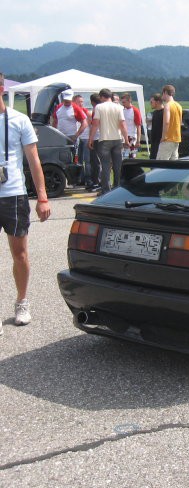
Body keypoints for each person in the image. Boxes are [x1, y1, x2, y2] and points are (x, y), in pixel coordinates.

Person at [0, 73, 51, 331]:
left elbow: (33, 161)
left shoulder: (19, 120)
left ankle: (22, 302)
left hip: (13, 195)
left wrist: (42, 196)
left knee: (19, 254)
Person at [88, 88, 129, 195]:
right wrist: (126, 139)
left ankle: (106, 190)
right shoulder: (119, 107)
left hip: (105, 139)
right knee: (117, 165)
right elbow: (123, 125)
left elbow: (95, 124)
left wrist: (91, 139)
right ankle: (117, 188)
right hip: (117, 139)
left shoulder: (99, 107)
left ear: (102, 97)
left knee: (105, 165)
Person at [158, 84, 182, 160]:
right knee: (173, 166)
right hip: (176, 139)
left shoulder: (167, 105)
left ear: (165, 92)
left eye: (162, 94)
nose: (162, 96)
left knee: (160, 165)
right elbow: (180, 122)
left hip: (168, 139)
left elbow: (166, 122)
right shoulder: (179, 106)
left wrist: (163, 136)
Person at [72, 94, 92, 186]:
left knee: (87, 160)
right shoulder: (72, 111)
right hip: (77, 139)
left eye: (82, 102)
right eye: (79, 102)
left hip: (85, 138)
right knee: (78, 161)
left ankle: (88, 179)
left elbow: (89, 124)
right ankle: (80, 179)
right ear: (74, 102)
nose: (81, 104)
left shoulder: (85, 112)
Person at [120, 93, 142, 159]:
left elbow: (138, 126)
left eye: (124, 102)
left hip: (132, 136)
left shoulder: (135, 111)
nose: (123, 104)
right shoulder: (122, 110)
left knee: (131, 156)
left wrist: (138, 140)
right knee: (123, 157)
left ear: (129, 101)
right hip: (123, 136)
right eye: (122, 102)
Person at [149, 93, 164, 159]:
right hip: (154, 143)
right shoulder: (154, 113)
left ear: (157, 102)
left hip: (161, 142)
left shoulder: (164, 112)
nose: (150, 103)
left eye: (151, 102)